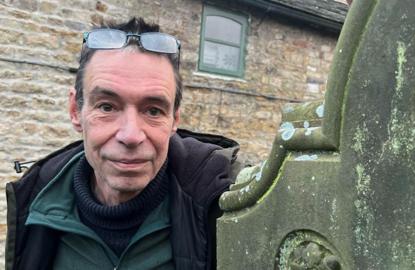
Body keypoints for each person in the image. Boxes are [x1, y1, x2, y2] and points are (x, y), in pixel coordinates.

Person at [5, 17, 240, 270]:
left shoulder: (231, 204)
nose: (130, 135)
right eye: (107, 107)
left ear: (175, 119)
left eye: (153, 111)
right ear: (75, 110)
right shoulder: (32, 200)